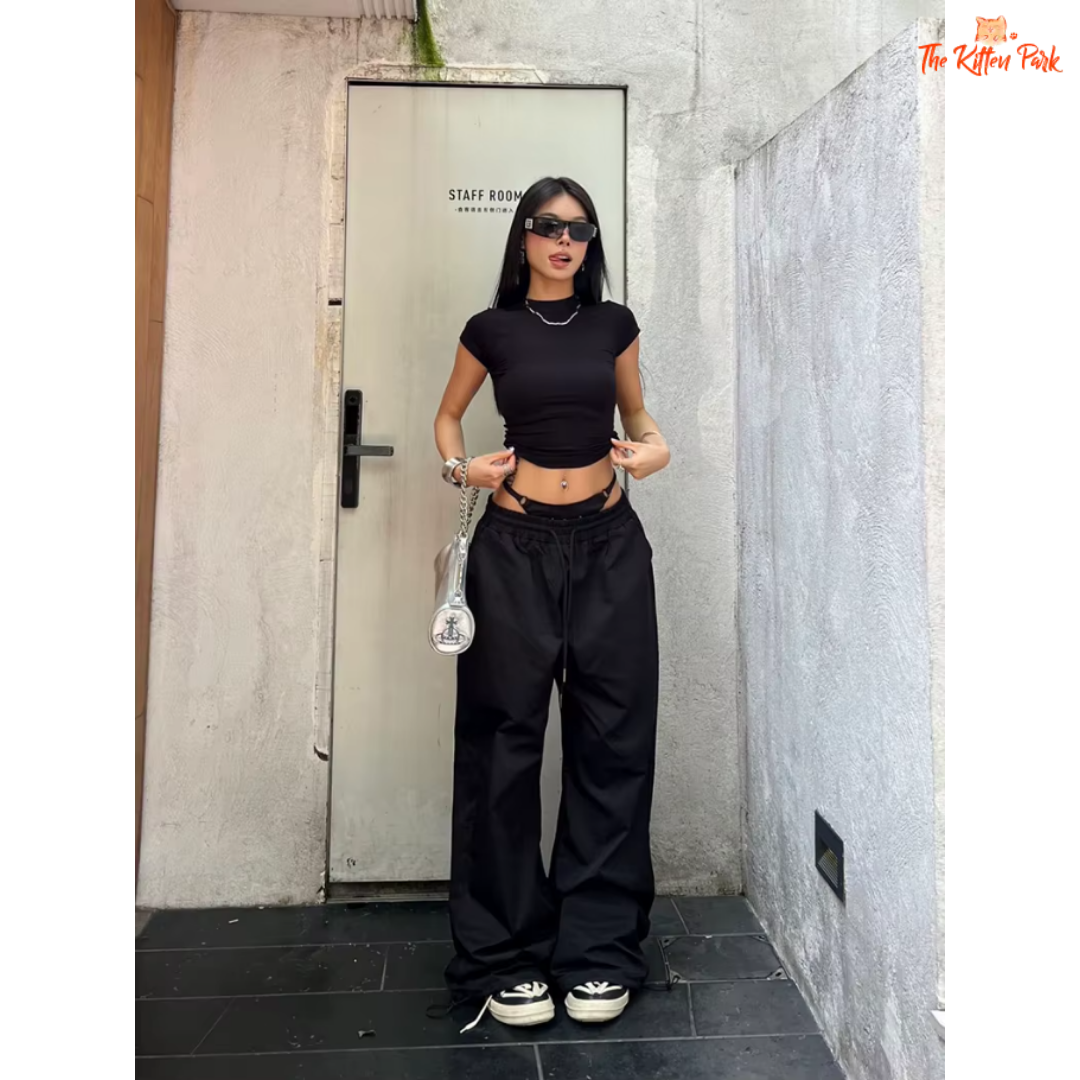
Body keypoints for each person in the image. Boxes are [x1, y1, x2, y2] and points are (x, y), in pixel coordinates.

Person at [432, 176, 670, 1032]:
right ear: (523, 238)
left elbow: (640, 418)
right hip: (514, 547)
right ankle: (503, 954)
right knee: (502, 743)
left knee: (613, 739)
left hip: (609, 545)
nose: (564, 241)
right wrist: (463, 469)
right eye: (547, 226)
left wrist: (655, 450)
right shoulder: (489, 330)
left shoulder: (614, 325)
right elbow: (448, 418)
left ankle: (599, 949)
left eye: (579, 229)